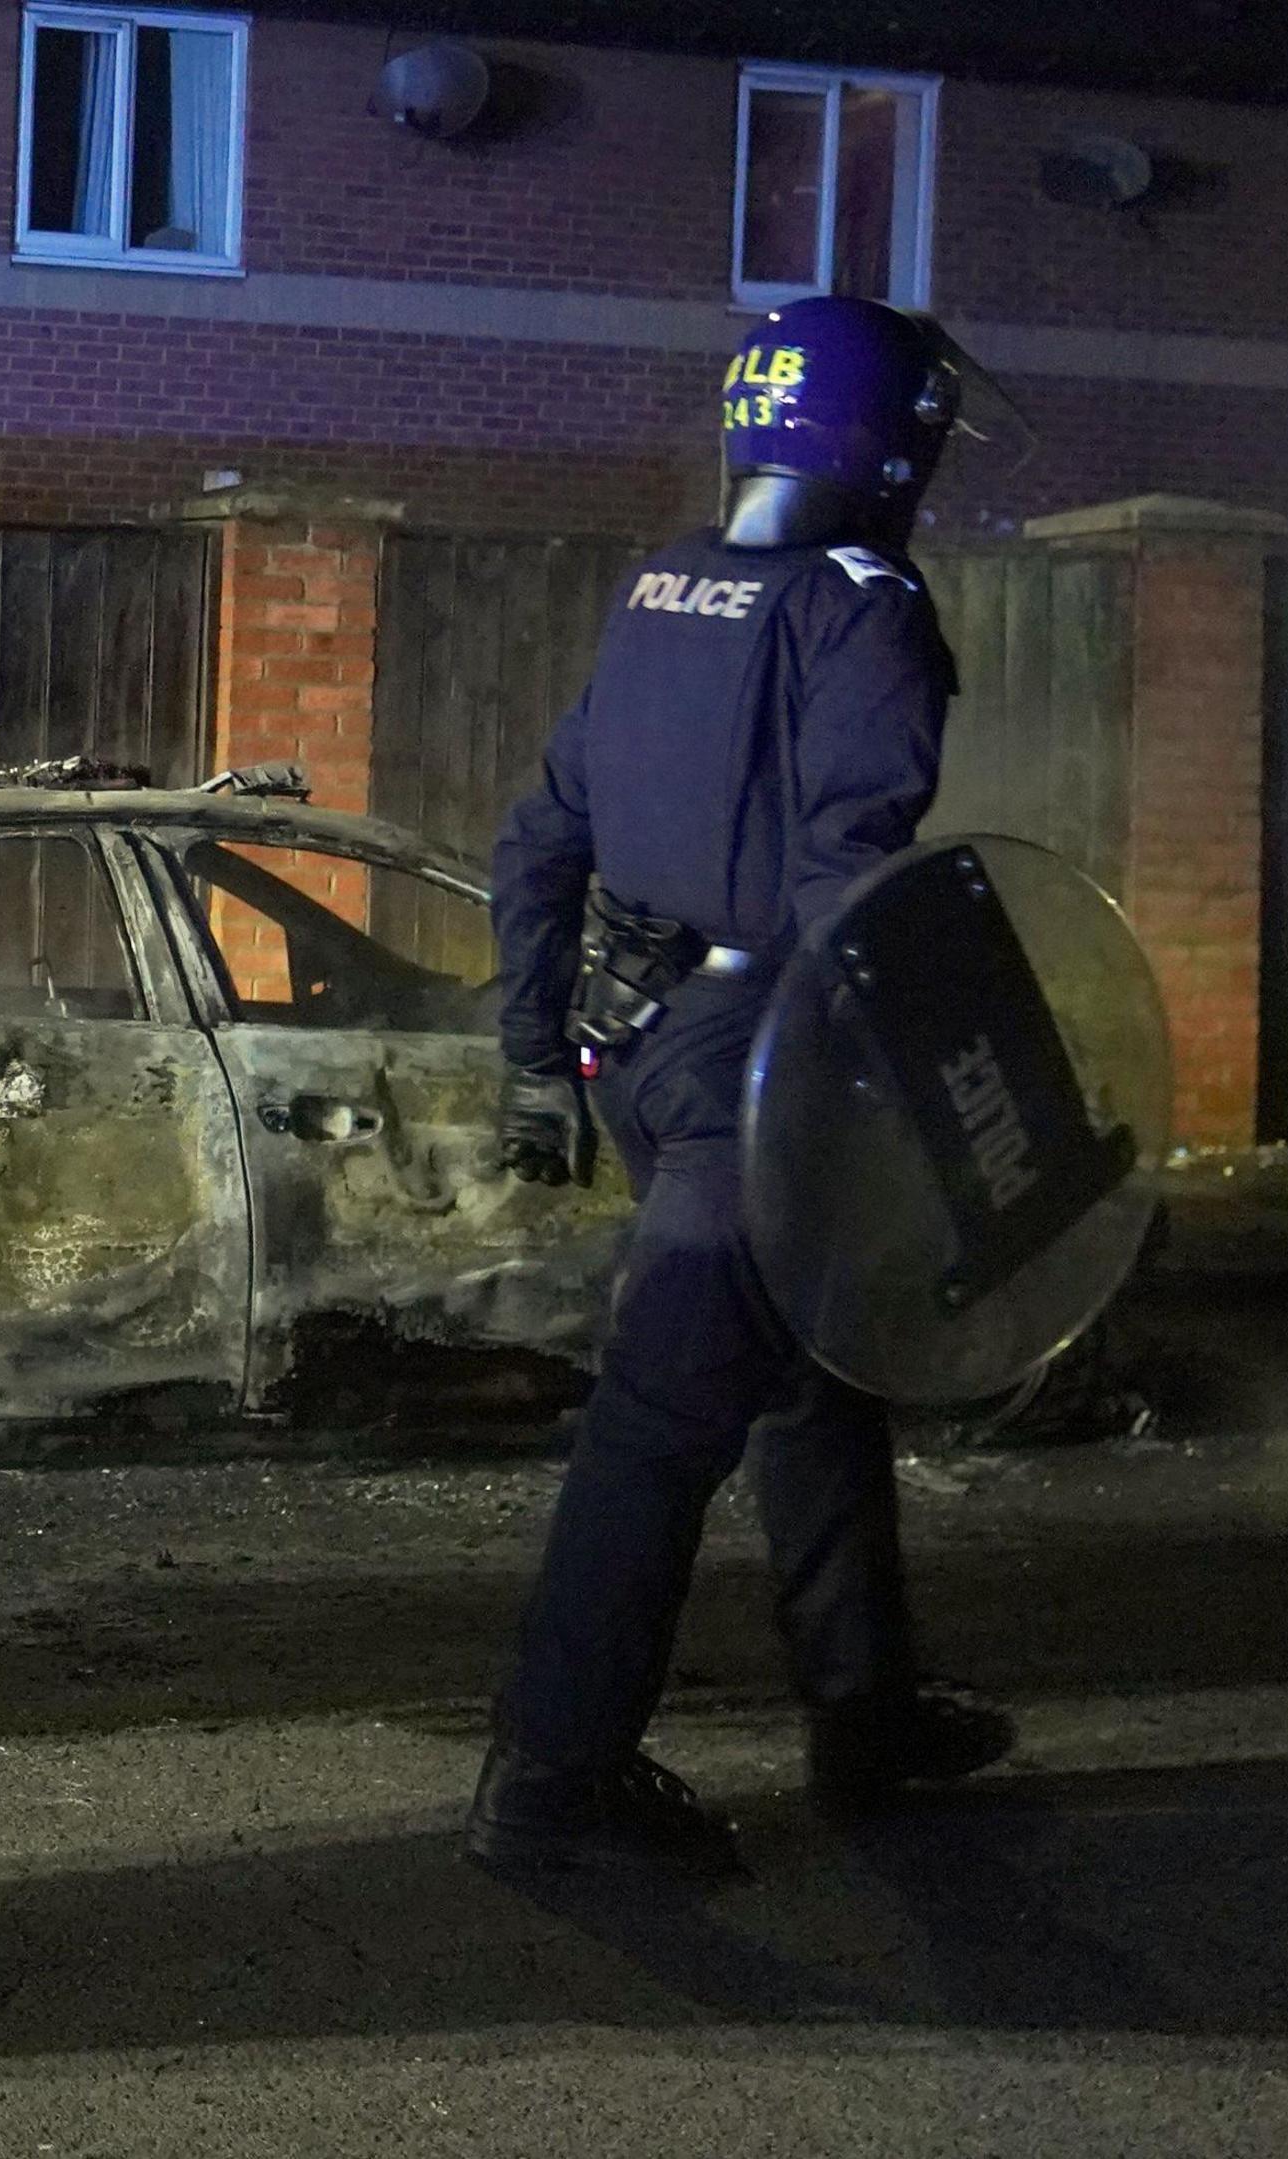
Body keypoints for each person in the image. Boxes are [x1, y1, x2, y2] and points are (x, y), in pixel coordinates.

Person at [470, 295, 1017, 1876]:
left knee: (813, 1368)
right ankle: (551, 1776)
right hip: (758, 1067)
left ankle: (865, 1705)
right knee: (660, 1420)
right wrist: (949, 1108)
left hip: (634, 1044)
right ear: (886, 438)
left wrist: (531, 1047)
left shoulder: (661, 589)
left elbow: (540, 835)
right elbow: (856, 889)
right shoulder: (865, 606)